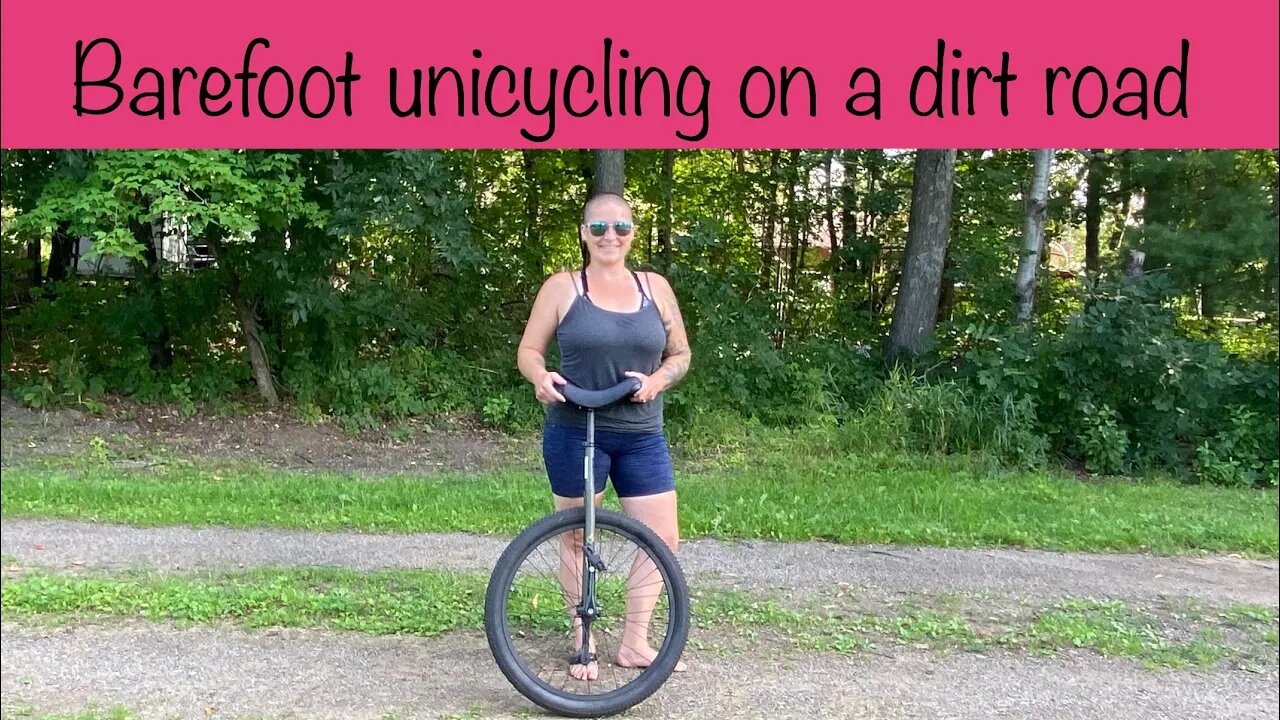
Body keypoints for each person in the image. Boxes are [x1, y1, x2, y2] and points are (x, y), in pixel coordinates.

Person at [517, 191, 691, 681]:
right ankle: (583, 639)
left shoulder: (654, 287)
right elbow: (529, 350)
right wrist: (540, 376)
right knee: (575, 536)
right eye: (598, 228)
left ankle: (635, 641)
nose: (609, 236)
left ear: (633, 232)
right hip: (576, 428)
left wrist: (660, 380)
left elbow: (680, 354)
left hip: (641, 433)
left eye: (620, 227)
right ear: (583, 234)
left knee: (661, 537)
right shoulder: (563, 287)